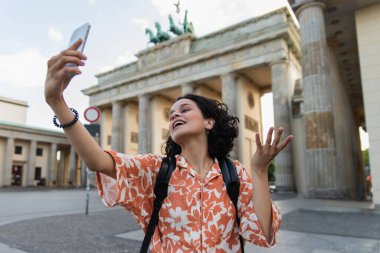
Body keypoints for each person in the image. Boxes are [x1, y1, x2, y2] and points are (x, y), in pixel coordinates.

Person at [45, 40, 293, 252]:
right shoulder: (156, 170)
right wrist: (58, 102)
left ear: (209, 122)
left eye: (184, 109)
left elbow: (262, 233)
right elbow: (97, 161)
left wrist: (259, 171)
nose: (174, 115)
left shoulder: (234, 173)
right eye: (171, 114)